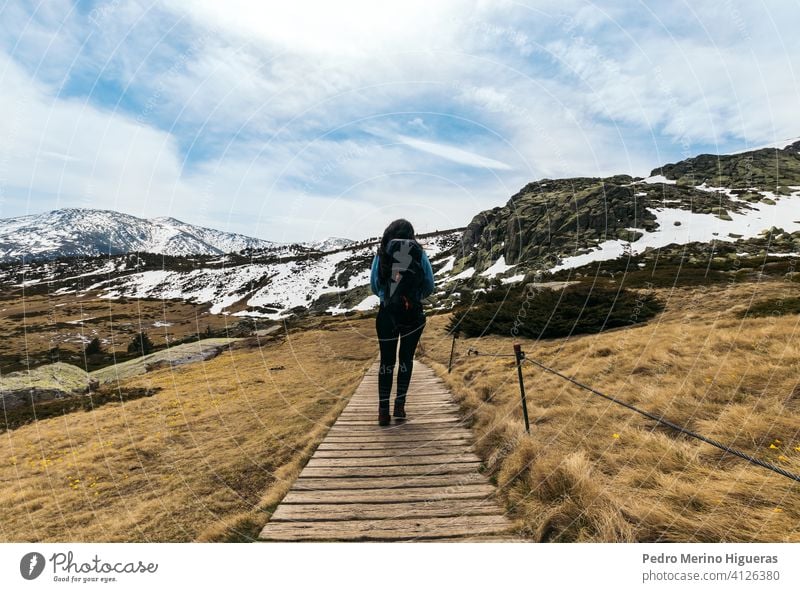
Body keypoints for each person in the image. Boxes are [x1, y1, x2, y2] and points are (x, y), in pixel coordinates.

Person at [369, 219, 435, 426]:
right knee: (406, 359)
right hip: (413, 314)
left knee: (386, 362)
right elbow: (429, 285)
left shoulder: (382, 254)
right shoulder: (419, 253)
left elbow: (374, 285)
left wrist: (387, 295)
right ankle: (400, 406)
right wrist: (412, 297)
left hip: (387, 313)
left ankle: (382, 411)